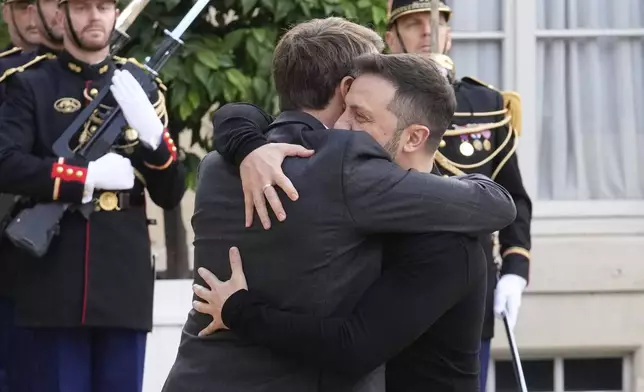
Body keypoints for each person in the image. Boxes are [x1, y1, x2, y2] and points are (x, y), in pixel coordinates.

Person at [162, 17, 515, 392]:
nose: (350, 124)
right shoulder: (346, 166)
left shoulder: (218, 163)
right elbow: (496, 205)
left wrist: (241, 133)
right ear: (346, 88)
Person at [0, 0, 186, 391]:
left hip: (122, 277)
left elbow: (171, 193)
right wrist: (82, 177)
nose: (95, 17)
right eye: (83, 7)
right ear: (60, 15)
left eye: (104, 6)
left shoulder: (139, 84)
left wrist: (154, 140)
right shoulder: (29, 82)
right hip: (53, 277)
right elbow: (6, 162)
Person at [384, 1, 533, 390]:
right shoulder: (374, 105)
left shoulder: (486, 106)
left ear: (450, 33)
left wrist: (515, 270)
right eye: (414, 24)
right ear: (391, 37)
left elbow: (512, 196)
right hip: (389, 285)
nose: (428, 31)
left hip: (469, 289)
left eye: (437, 23)